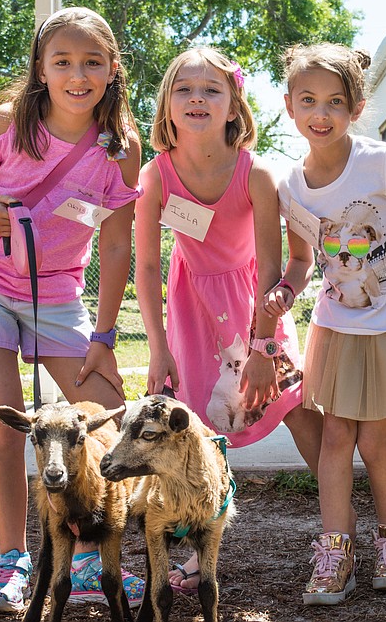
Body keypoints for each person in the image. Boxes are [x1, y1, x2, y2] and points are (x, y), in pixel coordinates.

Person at [0, 7, 144, 612]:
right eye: (62, 62)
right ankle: (11, 562)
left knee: (110, 419)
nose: (77, 75)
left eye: (92, 62)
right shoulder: (10, 121)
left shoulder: (120, 147)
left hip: (58, 293)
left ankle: (87, 558)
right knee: (7, 430)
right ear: (41, 68)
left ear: (113, 69)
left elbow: (116, 243)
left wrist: (105, 333)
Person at [134, 47, 325, 592]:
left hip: (254, 308)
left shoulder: (256, 173)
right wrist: (157, 347)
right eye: (184, 89)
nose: (198, 99)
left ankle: (340, 529)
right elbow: (146, 266)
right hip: (192, 314)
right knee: (194, 435)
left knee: (295, 410)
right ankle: (199, 550)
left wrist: (264, 351)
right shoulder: (156, 176)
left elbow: (270, 267)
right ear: (167, 105)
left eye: (212, 89)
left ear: (234, 105)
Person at [266, 42, 386, 605]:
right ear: (291, 108)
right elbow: (300, 260)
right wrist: (283, 291)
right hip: (336, 330)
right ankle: (335, 552)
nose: (321, 114)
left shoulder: (381, 163)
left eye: (335, 102)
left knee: (375, 442)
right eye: (308, 101)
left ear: (355, 107)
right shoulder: (290, 186)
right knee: (336, 440)